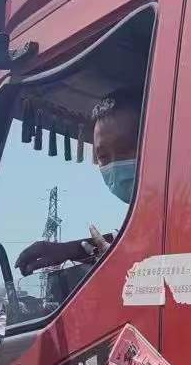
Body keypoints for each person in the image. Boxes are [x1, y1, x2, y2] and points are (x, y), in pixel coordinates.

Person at [16, 86, 141, 276]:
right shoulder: (146, 215)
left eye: (126, 149)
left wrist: (122, 265)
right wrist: (68, 250)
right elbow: (129, 240)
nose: (115, 165)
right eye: (103, 157)